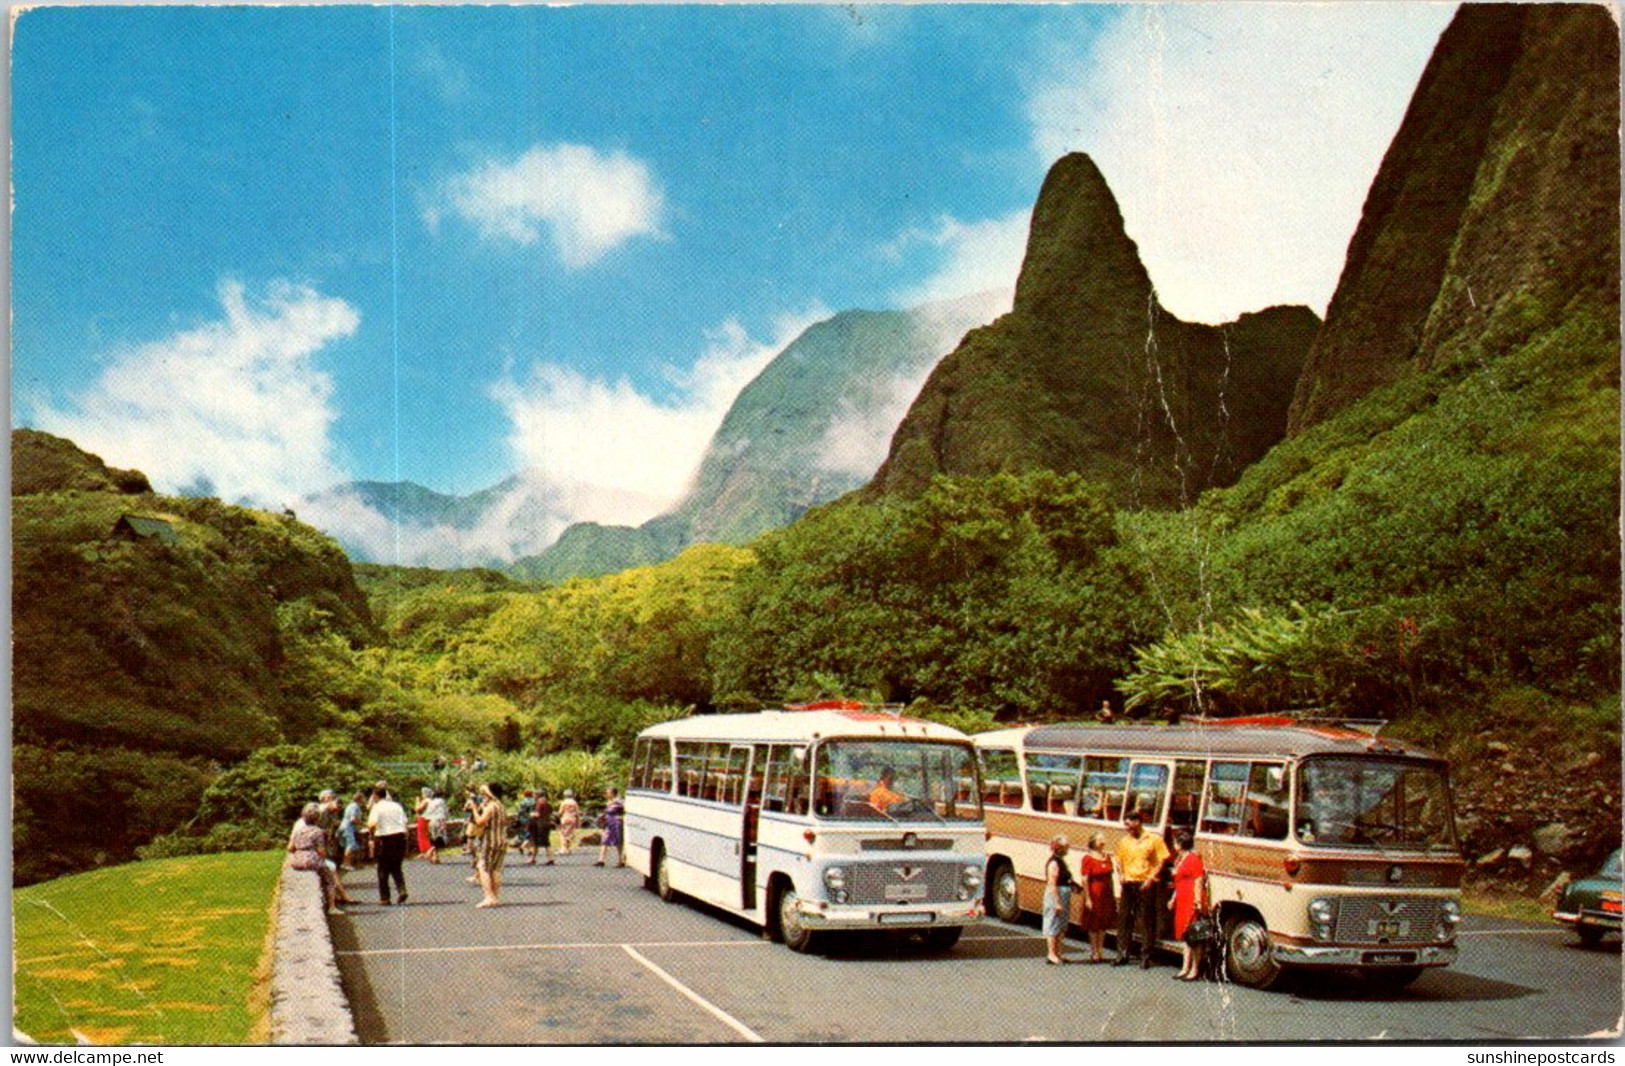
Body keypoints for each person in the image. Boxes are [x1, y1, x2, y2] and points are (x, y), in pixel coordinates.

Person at [1112, 810, 1169, 968]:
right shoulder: (1124, 841)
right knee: (1124, 919)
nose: (1127, 828)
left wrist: (1151, 879)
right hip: (1128, 883)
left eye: (1129, 825)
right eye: (1126, 825)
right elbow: (1118, 859)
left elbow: (1162, 861)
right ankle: (1122, 953)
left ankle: (1146, 956)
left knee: (1145, 920)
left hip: (1145, 884)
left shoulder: (1154, 839)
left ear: (1138, 822)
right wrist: (1120, 875)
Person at [289, 803, 348, 915]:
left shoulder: (298, 831)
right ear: (317, 818)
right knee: (330, 878)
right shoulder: (317, 831)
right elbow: (321, 851)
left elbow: (290, 848)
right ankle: (332, 907)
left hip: (297, 860)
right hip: (311, 859)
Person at [1167, 830, 1210, 980]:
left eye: (1175, 843)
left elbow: (1199, 880)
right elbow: (1178, 881)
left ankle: (1195, 969)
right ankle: (1184, 967)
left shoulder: (1193, 858)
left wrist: (1198, 901)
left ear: (1180, 844)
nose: (1173, 845)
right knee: (1186, 936)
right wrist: (1173, 899)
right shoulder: (1180, 859)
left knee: (1194, 936)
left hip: (1191, 898)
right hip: (1182, 898)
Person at [468, 783, 509, 908]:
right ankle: (495, 897)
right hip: (501, 839)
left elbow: (480, 821)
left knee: (483, 867)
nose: (483, 795)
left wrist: (474, 808)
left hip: (490, 840)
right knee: (495, 869)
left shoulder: (491, 807)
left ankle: (488, 897)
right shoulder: (501, 806)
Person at [367, 787, 410, 906]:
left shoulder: (377, 807)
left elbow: (371, 824)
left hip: (383, 838)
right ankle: (402, 890)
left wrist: (371, 838)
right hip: (399, 837)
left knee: (383, 869)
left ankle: (385, 897)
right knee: (396, 867)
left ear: (375, 796)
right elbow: (405, 823)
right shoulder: (397, 806)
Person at [1079, 831, 1117, 962]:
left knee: (1103, 923)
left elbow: (1110, 876)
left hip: (1106, 894)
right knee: (1093, 923)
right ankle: (1094, 950)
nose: (1103, 842)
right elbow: (1084, 879)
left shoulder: (1107, 857)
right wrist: (1088, 898)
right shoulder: (1088, 858)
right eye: (1100, 840)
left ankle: (1100, 950)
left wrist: (1112, 894)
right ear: (1094, 843)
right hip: (1094, 893)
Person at [1041, 835, 1075, 965]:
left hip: (1064, 892)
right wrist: (1056, 902)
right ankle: (1051, 954)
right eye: (1066, 847)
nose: (1068, 849)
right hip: (1056, 894)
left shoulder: (1061, 861)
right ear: (1059, 848)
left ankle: (1058, 953)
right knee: (1052, 922)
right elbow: (1052, 882)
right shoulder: (1054, 862)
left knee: (1061, 924)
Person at [595, 787, 625, 867]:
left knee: (618, 841)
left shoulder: (619, 801)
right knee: (605, 840)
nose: (607, 794)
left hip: (616, 822)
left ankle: (621, 860)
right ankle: (601, 860)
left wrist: (621, 816)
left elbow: (624, 810)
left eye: (608, 793)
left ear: (613, 793)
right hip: (608, 822)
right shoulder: (609, 802)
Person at [338, 790, 365, 871]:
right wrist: (362, 824)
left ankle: (348, 863)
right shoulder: (355, 806)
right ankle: (346, 864)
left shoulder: (351, 805)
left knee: (350, 845)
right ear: (360, 799)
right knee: (351, 845)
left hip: (346, 827)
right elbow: (352, 819)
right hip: (348, 827)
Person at [527, 790, 554, 865]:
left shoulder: (540, 803)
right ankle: (535, 858)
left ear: (538, 795)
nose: (534, 796)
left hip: (540, 824)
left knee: (537, 841)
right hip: (547, 823)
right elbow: (551, 811)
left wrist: (531, 814)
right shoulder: (547, 803)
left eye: (535, 795)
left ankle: (549, 858)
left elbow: (538, 814)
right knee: (545, 842)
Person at [424, 788, 449, 864]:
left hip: (431, 821)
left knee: (433, 839)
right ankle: (430, 852)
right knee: (441, 839)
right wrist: (444, 822)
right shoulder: (442, 802)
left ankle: (435, 857)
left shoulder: (431, 802)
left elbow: (427, 813)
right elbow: (444, 812)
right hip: (439, 820)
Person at [514, 791, 538, 860]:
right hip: (533, 819)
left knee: (524, 833)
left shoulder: (523, 802)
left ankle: (527, 848)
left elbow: (520, 812)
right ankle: (526, 847)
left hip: (524, 819)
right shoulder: (535, 802)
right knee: (531, 835)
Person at [558, 790, 581, 855]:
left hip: (565, 819)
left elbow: (560, 812)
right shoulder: (574, 803)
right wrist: (578, 821)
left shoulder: (563, 802)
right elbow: (577, 813)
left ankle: (563, 849)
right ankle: (568, 848)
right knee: (570, 833)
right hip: (572, 819)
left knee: (562, 834)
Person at [414, 788, 434, 860]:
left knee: (422, 835)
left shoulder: (426, 801)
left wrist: (417, 801)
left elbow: (417, 809)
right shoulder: (432, 801)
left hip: (423, 818)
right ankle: (424, 851)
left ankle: (426, 850)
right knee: (424, 835)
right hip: (428, 818)